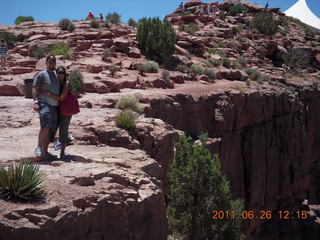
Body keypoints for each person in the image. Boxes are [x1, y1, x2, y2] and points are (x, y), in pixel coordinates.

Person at [42, 66, 78, 158]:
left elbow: (62, 98)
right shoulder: (56, 83)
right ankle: (44, 151)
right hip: (56, 109)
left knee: (64, 130)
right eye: (59, 72)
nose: (60, 75)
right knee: (51, 129)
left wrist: (49, 95)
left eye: (62, 73)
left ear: (65, 74)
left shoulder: (67, 83)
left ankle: (62, 153)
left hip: (65, 110)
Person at [32, 55, 60, 159]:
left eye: (53, 61)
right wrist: (35, 102)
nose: (51, 63)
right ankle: (38, 148)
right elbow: (34, 88)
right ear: (46, 63)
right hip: (44, 104)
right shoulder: (41, 74)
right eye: (49, 61)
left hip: (55, 106)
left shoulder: (57, 75)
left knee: (51, 129)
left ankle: (45, 151)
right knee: (45, 126)